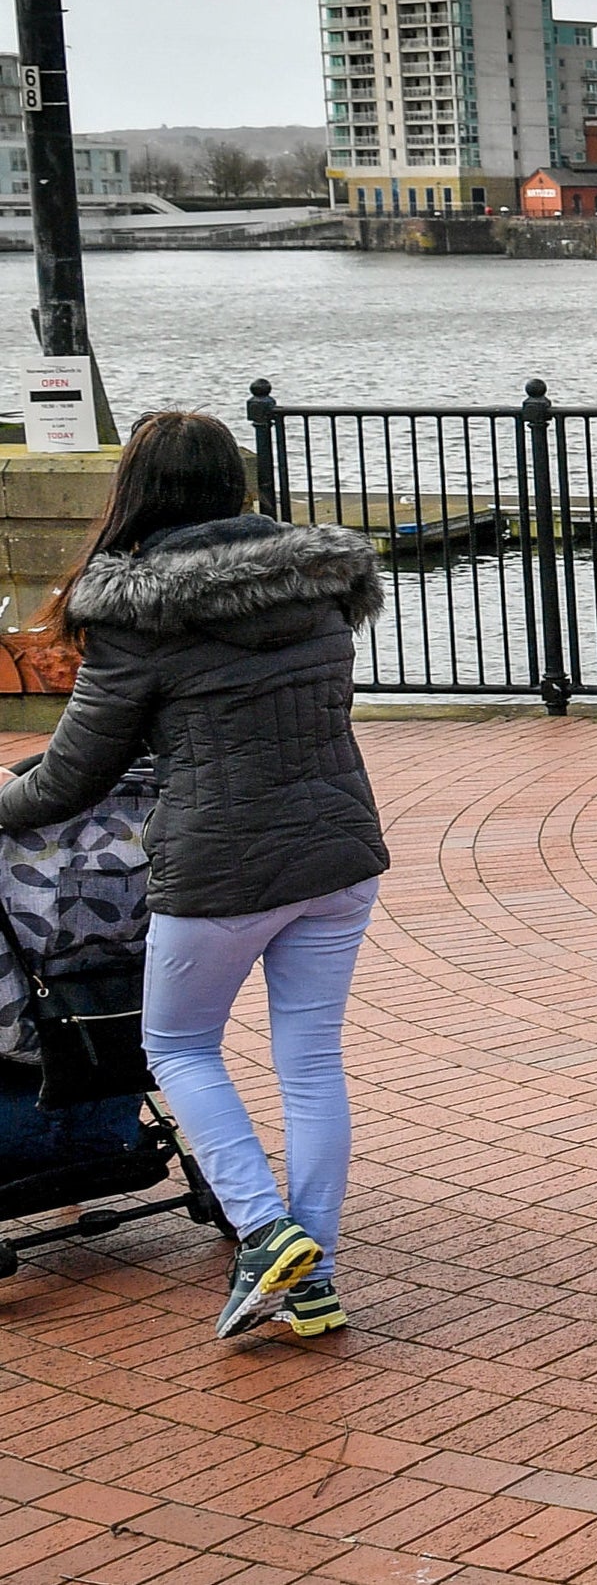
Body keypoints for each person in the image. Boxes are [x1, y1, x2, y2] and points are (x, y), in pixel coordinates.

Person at [0, 411, 387, 1342]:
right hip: (340, 851)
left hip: (220, 868)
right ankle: (311, 1273)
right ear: (234, 488)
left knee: (176, 1046)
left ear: (137, 492)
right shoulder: (321, 587)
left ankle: (264, 1230)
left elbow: (71, 777)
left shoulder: (136, 613)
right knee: (312, 1064)